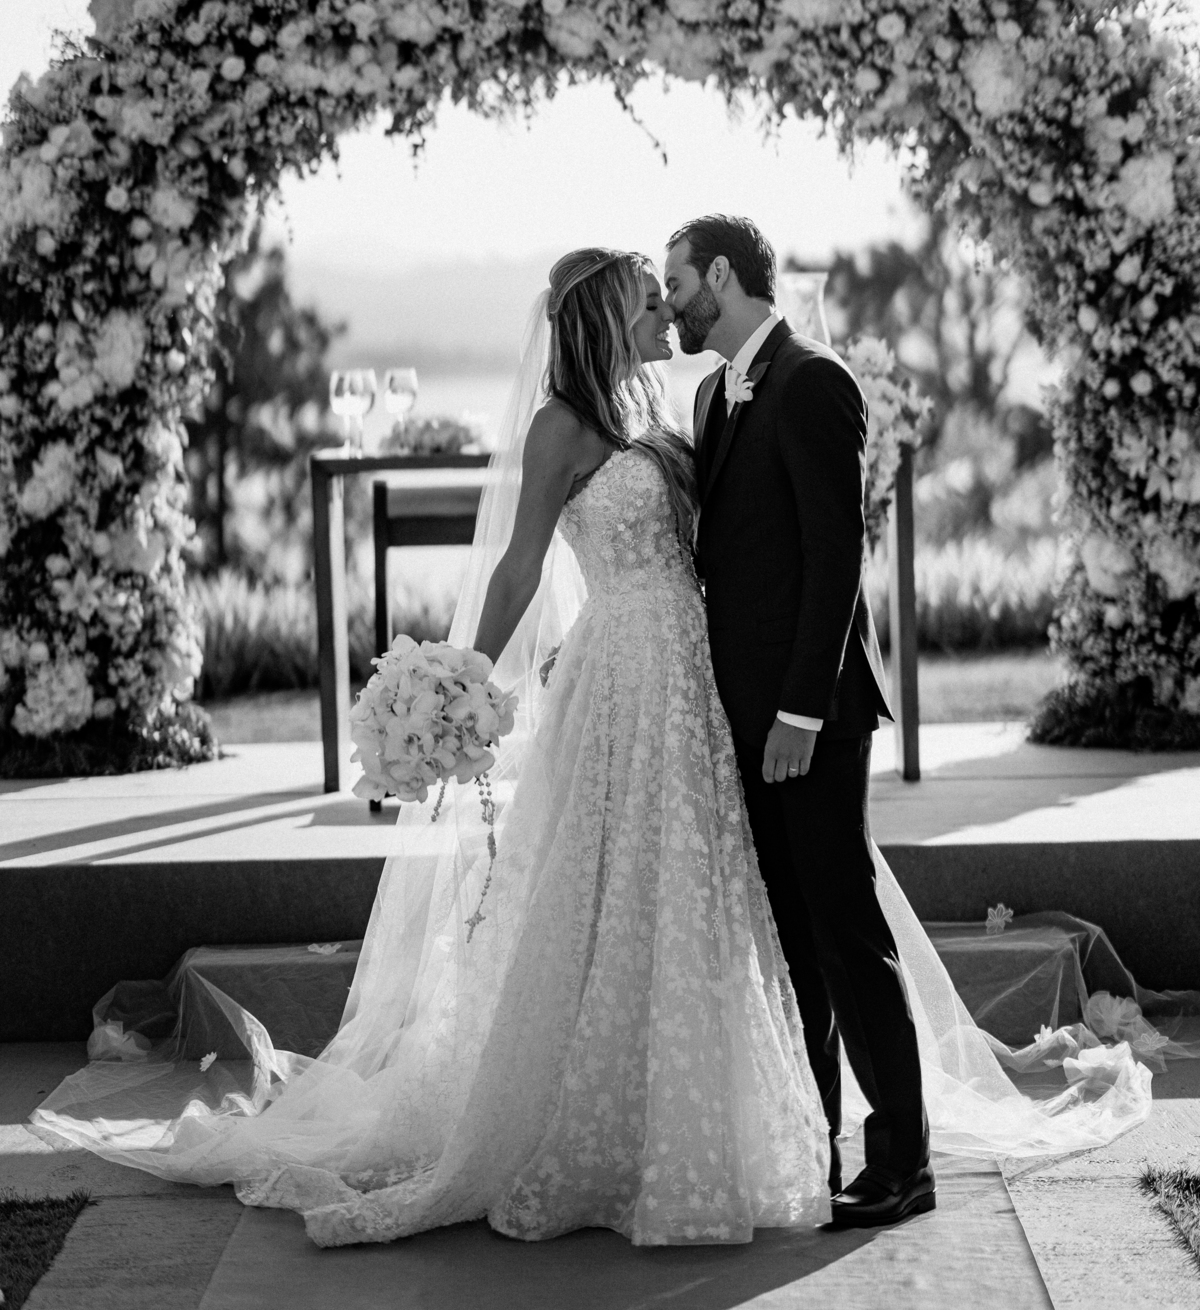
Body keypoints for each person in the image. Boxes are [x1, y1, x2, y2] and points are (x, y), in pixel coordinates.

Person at [33, 242, 1154, 1244]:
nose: (666, 311)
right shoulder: (568, 423)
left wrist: (795, 691)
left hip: (708, 681)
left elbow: (779, 539)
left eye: (673, 291)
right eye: (647, 300)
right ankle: (695, 1127)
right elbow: (521, 565)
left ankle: (821, 1136)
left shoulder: (678, 402)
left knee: (745, 905)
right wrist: (458, 677)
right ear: (605, 316)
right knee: (637, 895)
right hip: (629, 673)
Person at [665, 214, 932, 1229]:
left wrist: (798, 712)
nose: (671, 302)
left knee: (844, 931)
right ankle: (812, 1143)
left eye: (677, 283)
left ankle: (903, 1160)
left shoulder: (816, 381)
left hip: (806, 717)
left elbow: (836, 557)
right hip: (743, 715)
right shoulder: (711, 395)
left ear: (721, 276)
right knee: (787, 942)